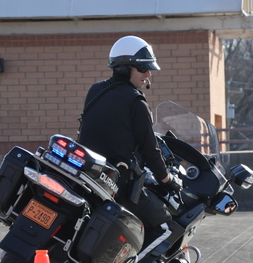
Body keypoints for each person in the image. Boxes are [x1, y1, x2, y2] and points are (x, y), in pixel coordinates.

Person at [78, 35, 182, 247]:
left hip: (87, 176)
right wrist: (167, 180)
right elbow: (150, 151)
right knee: (166, 227)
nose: (148, 74)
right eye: (143, 69)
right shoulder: (136, 102)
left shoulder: (96, 90)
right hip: (117, 184)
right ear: (125, 68)